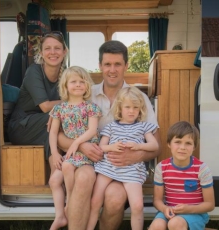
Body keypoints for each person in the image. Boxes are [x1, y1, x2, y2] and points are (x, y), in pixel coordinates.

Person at [56, 40, 160, 230]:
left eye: (117, 64)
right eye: (107, 64)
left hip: (122, 168)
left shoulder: (138, 98)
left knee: (115, 197)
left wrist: (135, 156)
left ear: (126, 66)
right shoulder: (86, 94)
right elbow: (60, 137)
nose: (112, 70)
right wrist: (81, 146)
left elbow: (155, 145)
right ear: (100, 66)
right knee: (84, 178)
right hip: (88, 162)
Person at [87, 86, 159, 230]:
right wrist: (112, 147)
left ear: (140, 109)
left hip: (131, 171)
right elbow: (101, 147)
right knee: (95, 202)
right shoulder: (111, 127)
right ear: (120, 108)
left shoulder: (143, 127)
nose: (131, 111)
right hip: (108, 167)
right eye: (127, 107)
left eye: (135, 107)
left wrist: (138, 146)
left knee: (137, 205)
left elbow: (154, 146)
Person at [48, 66, 102, 230]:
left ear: (87, 86)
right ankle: (62, 213)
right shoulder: (59, 109)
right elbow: (53, 133)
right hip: (71, 154)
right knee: (55, 178)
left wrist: (76, 143)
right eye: (73, 82)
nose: (78, 85)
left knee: (66, 166)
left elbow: (92, 130)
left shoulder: (90, 107)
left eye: (82, 82)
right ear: (65, 86)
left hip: (86, 154)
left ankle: (69, 204)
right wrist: (55, 153)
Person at [7, 31, 67, 159]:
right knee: (57, 121)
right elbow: (45, 107)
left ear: (64, 52)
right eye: (47, 48)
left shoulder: (67, 74)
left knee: (56, 128)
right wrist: (70, 104)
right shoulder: (34, 71)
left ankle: (55, 176)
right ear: (41, 52)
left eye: (57, 48)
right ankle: (84, 149)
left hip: (49, 123)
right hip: (22, 127)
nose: (53, 52)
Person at [148, 121, 215, 230]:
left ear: (194, 147)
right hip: (169, 211)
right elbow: (157, 200)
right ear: (169, 144)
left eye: (188, 143)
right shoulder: (161, 168)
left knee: (175, 224)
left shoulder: (202, 169)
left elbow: (210, 204)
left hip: (195, 214)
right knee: (157, 226)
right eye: (178, 142)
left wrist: (188, 209)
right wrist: (165, 208)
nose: (182, 147)